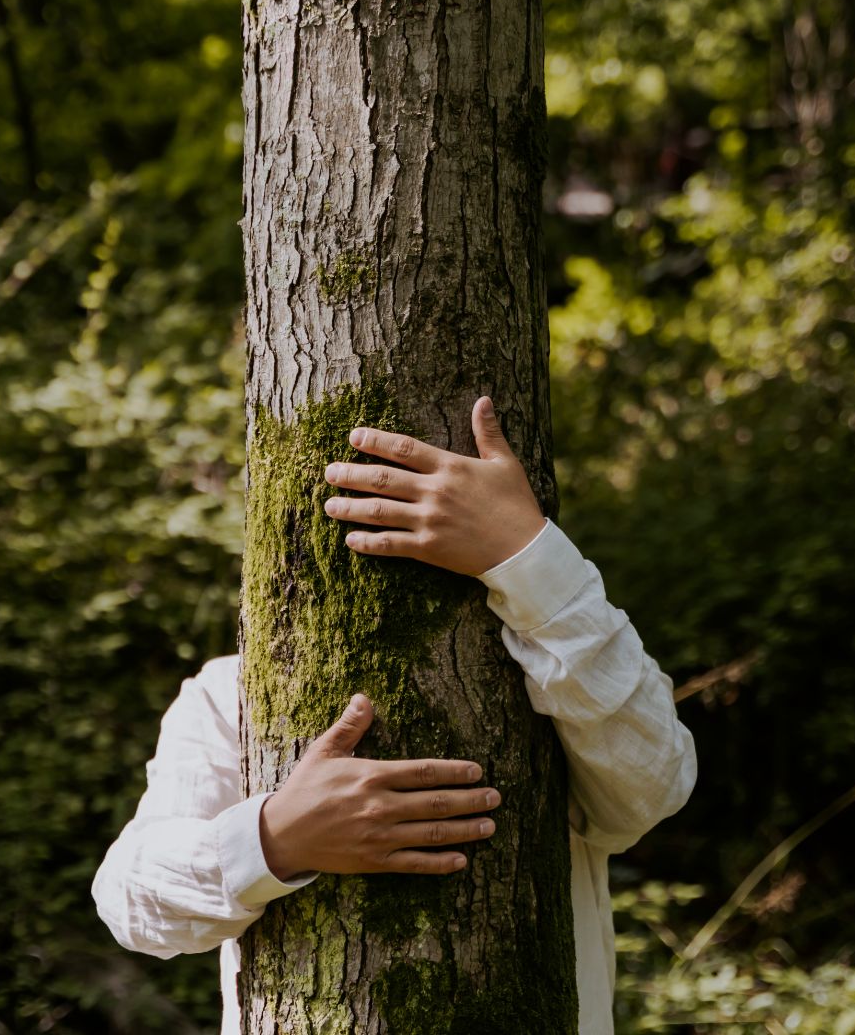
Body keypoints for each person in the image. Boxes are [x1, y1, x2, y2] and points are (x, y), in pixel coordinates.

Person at [92, 396, 698, 1035]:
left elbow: (654, 785)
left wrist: (528, 556)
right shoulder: (228, 695)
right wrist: (273, 838)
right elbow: (130, 900)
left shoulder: (554, 653)